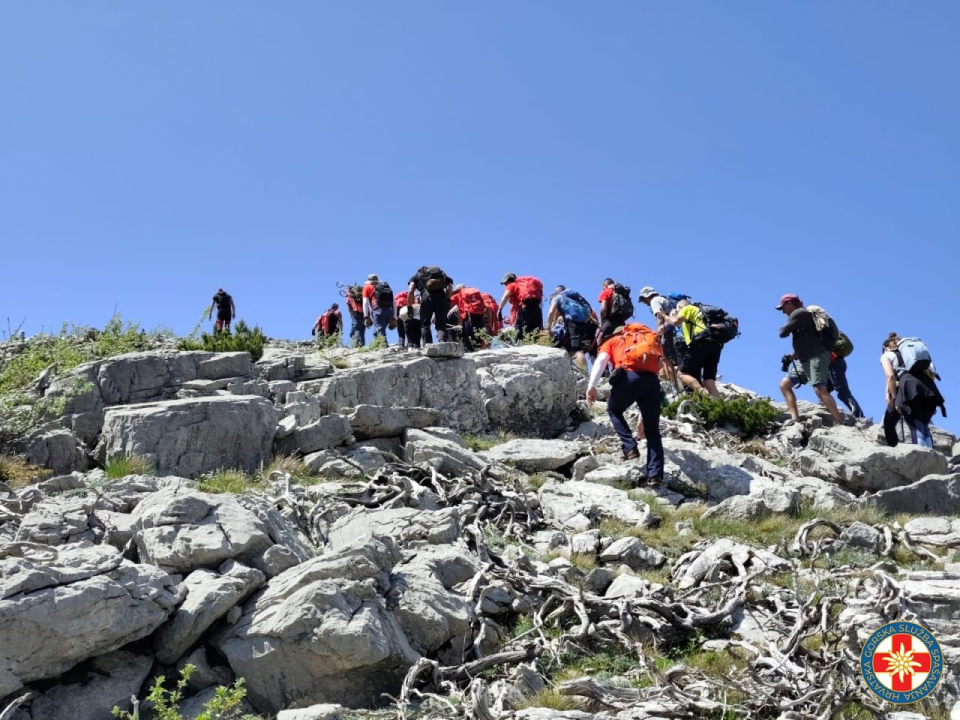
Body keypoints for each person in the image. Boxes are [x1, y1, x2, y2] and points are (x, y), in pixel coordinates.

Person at [585, 325, 664, 484]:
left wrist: (591, 386)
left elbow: (601, 360)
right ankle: (655, 475)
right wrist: (643, 416)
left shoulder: (613, 341)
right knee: (652, 431)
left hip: (628, 377)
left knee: (613, 410)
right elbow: (658, 366)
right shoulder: (647, 341)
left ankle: (630, 446)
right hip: (652, 381)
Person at [776, 294, 845, 423]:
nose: (783, 311)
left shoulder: (799, 313)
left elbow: (782, 332)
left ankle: (840, 421)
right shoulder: (802, 315)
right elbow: (808, 338)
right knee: (785, 385)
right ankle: (795, 419)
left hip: (816, 356)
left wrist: (786, 327)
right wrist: (794, 354)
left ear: (790, 303)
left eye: (783, 307)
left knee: (820, 389)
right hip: (805, 359)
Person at [881, 333, 946, 448]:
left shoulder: (887, 355)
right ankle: (931, 455)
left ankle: (922, 456)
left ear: (885, 348)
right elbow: (932, 371)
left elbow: (890, 377)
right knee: (924, 425)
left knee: (916, 425)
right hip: (929, 388)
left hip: (909, 388)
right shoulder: (913, 354)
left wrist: (895, 398)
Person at [662, 299, 722, 398]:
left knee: (681, 374)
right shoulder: (700, 313)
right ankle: (719, 404)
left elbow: (675, 322)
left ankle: (704, 394)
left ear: (680, 307)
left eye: (677, 310)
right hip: (715, 344)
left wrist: (664, 316)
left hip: (700, 342)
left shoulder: (687, 308)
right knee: (709, 381)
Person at [781, 350, 865, 418]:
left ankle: (859, 417)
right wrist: (794, 355)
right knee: (822, 391)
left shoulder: (812, 337)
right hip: (827, 364)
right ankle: (832, 413)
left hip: (834, 363)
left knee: (842, 393)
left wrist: (795, 355)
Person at [638, 287, 681, 391]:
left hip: (667, 333)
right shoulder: (664, 299)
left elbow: (659, 317)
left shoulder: (654, 300)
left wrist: (658, 334)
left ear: (647, 296)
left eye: (643, 299)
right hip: (676, 333)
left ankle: (676, 388)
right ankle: (681, 385)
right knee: (674, 361)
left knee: (667, 361)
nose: (645, 302)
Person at [547, 285, 594, 370]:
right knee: (571, 350)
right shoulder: (573, 299)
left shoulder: (557, 298)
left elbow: (551, 312)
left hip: (572, 324)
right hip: (583, 325)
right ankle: (573, 370)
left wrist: (548, 328)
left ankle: (584, 372)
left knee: (577, 350)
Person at [407, 266, 454, 346]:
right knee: (441, 323)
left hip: (426, 298)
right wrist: (448, 300)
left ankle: (428, 344)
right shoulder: (441, 275)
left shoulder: (416, 276)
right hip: (441, 297)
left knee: (425, 324)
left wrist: (410, 306)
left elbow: (411, 290)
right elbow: (449, 286)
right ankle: (442, 340)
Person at [498, 273, 544, 339]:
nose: (505, 285)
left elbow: (506, 296)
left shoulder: (512, 285)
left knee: (519, 335)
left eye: (505, 283)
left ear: (509, 280)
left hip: (526, 310)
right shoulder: (524, 287)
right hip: (537, 310)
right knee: (535, 335)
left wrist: (499, 310)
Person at [450, 285, 489, 351]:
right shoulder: (473, 293)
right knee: (478, 332)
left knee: (467, 334)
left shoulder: (458, 295)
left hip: (468, 316)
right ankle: (478, 348)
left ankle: (469, 350)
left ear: (457, 290)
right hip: (479, 315)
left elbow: (448, 302)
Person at [363, 274, 395, 343]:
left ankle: (384, 346)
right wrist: (394, 317)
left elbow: (365, 302)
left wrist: (366, 316)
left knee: (380, 331)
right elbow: (394, 302)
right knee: (377, 331)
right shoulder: (385, 287)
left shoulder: (367, 287)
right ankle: (377, 345)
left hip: (378, 311)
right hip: (389, 311)